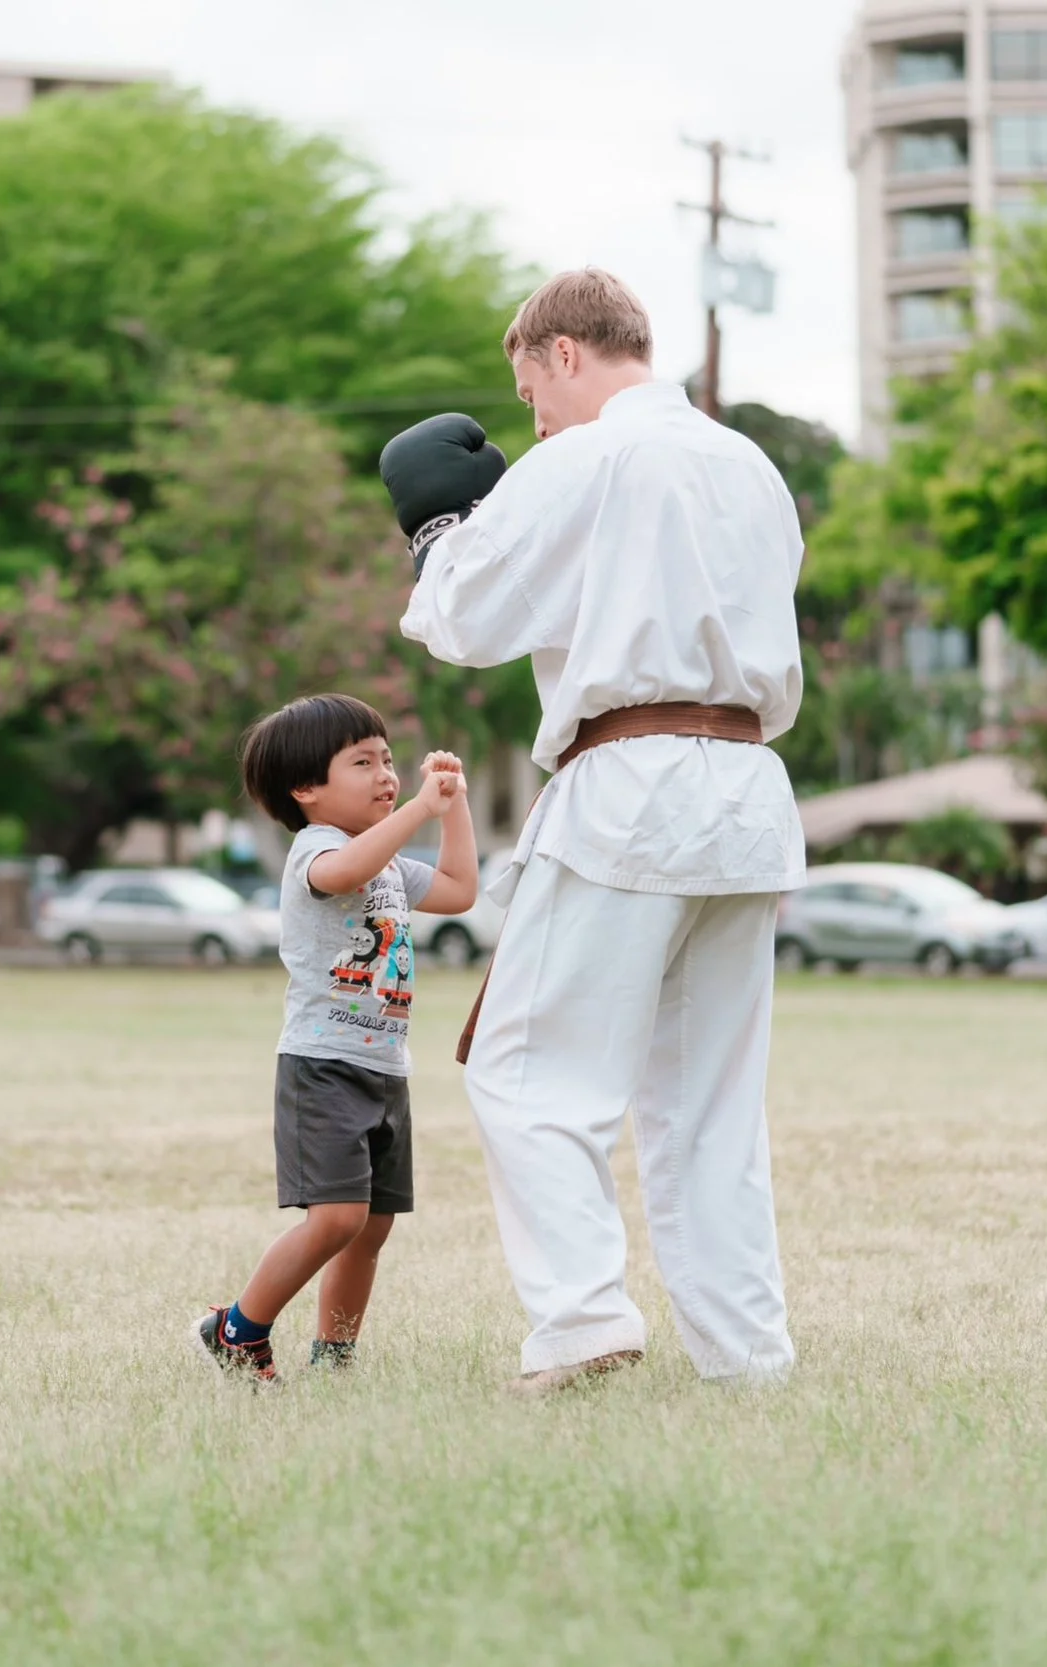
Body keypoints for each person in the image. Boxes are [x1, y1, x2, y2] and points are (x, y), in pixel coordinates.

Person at [382, 268, 808, 1395]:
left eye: (529, 391)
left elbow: (465, 617)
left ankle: (578, 1319)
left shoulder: (588, 454)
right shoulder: (749, 466)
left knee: (526, 1071)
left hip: (632, 780)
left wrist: (438, 527)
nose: (531, 416)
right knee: (709, 1107)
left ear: (564, 354)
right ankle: (747, 1359)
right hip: (748, 787)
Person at [196, 694, 479, 1386]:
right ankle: (236, 1328)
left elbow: (459, 888)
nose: (384, 773)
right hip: (323, 1065)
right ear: (307, 790)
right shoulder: (316, 849)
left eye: (387, 758)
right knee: (336, 1219)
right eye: (362, 762)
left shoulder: (388, 864)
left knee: (372, 1226)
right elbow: (341, 875)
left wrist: (458, 802)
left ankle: (335, 1354)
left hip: (384, 1066)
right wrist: (420, 808)